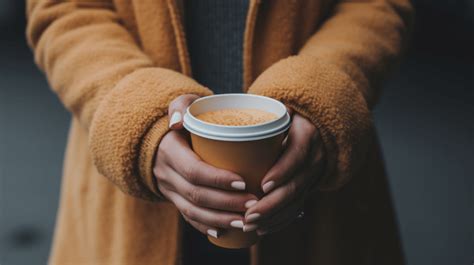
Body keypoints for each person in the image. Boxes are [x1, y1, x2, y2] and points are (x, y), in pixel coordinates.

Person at [26, 0, 413, 264]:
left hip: (321, 202)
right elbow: (65, 9)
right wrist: (139, 117)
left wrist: (323, 92)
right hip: (125, 216)